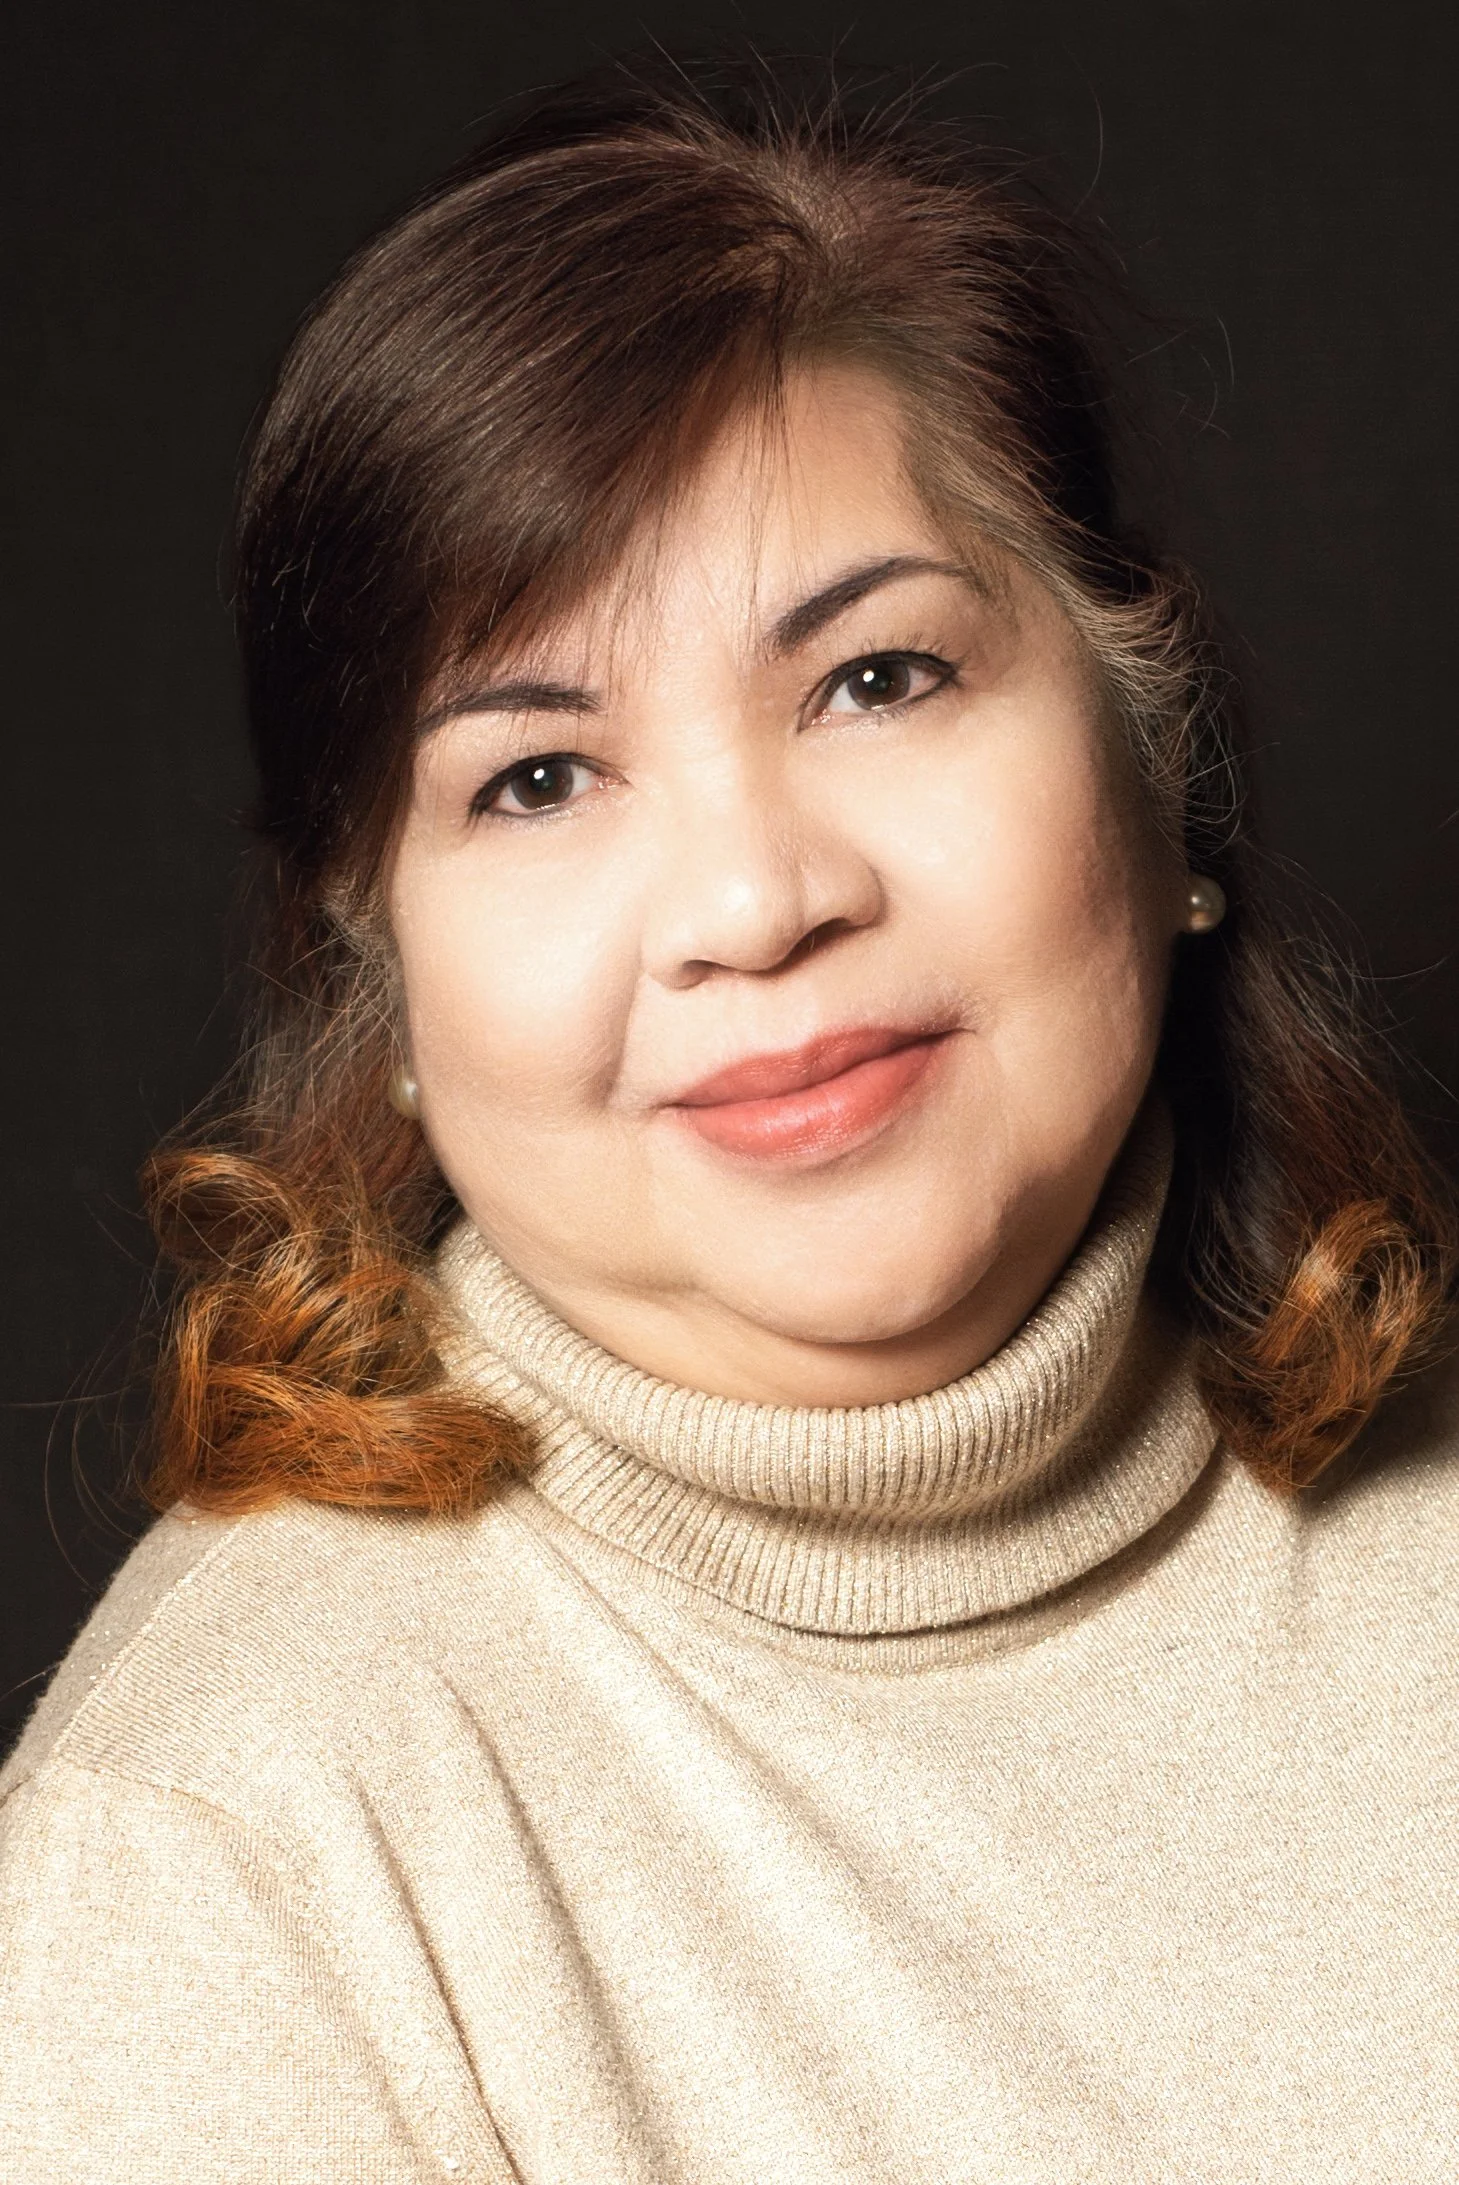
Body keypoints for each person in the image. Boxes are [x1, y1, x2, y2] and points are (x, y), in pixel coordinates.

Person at [1, 60, 1455, 2183]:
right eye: (536, 778)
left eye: (877, 678)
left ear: (1164, 767)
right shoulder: (216, 1873)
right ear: (380, 979)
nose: (758, 903)